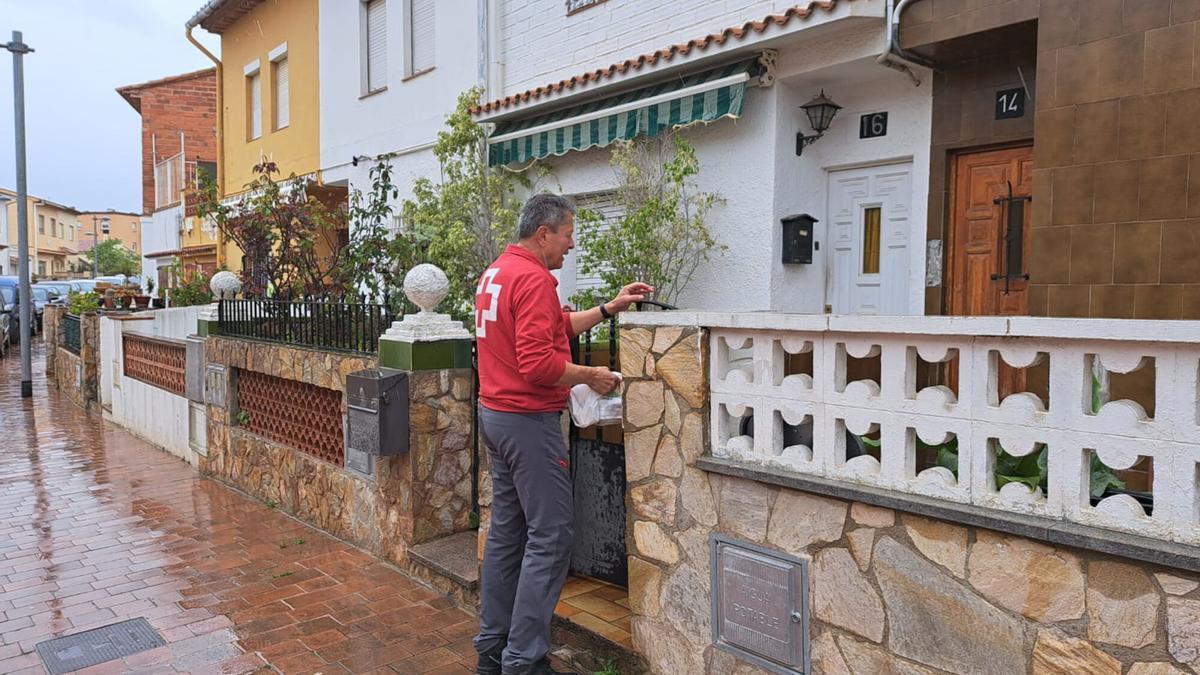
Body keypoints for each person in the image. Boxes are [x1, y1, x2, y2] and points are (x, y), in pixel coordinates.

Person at [473, 194, 652, 675]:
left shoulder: (499, 271)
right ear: (543, 233)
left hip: (496, 415)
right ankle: (524, 660)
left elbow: (553, 327)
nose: (571, 244)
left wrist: (609, 307)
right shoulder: (532, 279)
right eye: (568, 233)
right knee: (551, 537)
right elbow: (537, 365)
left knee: (509, 534)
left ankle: (493, 648)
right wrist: (589, 376)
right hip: (528, 422)